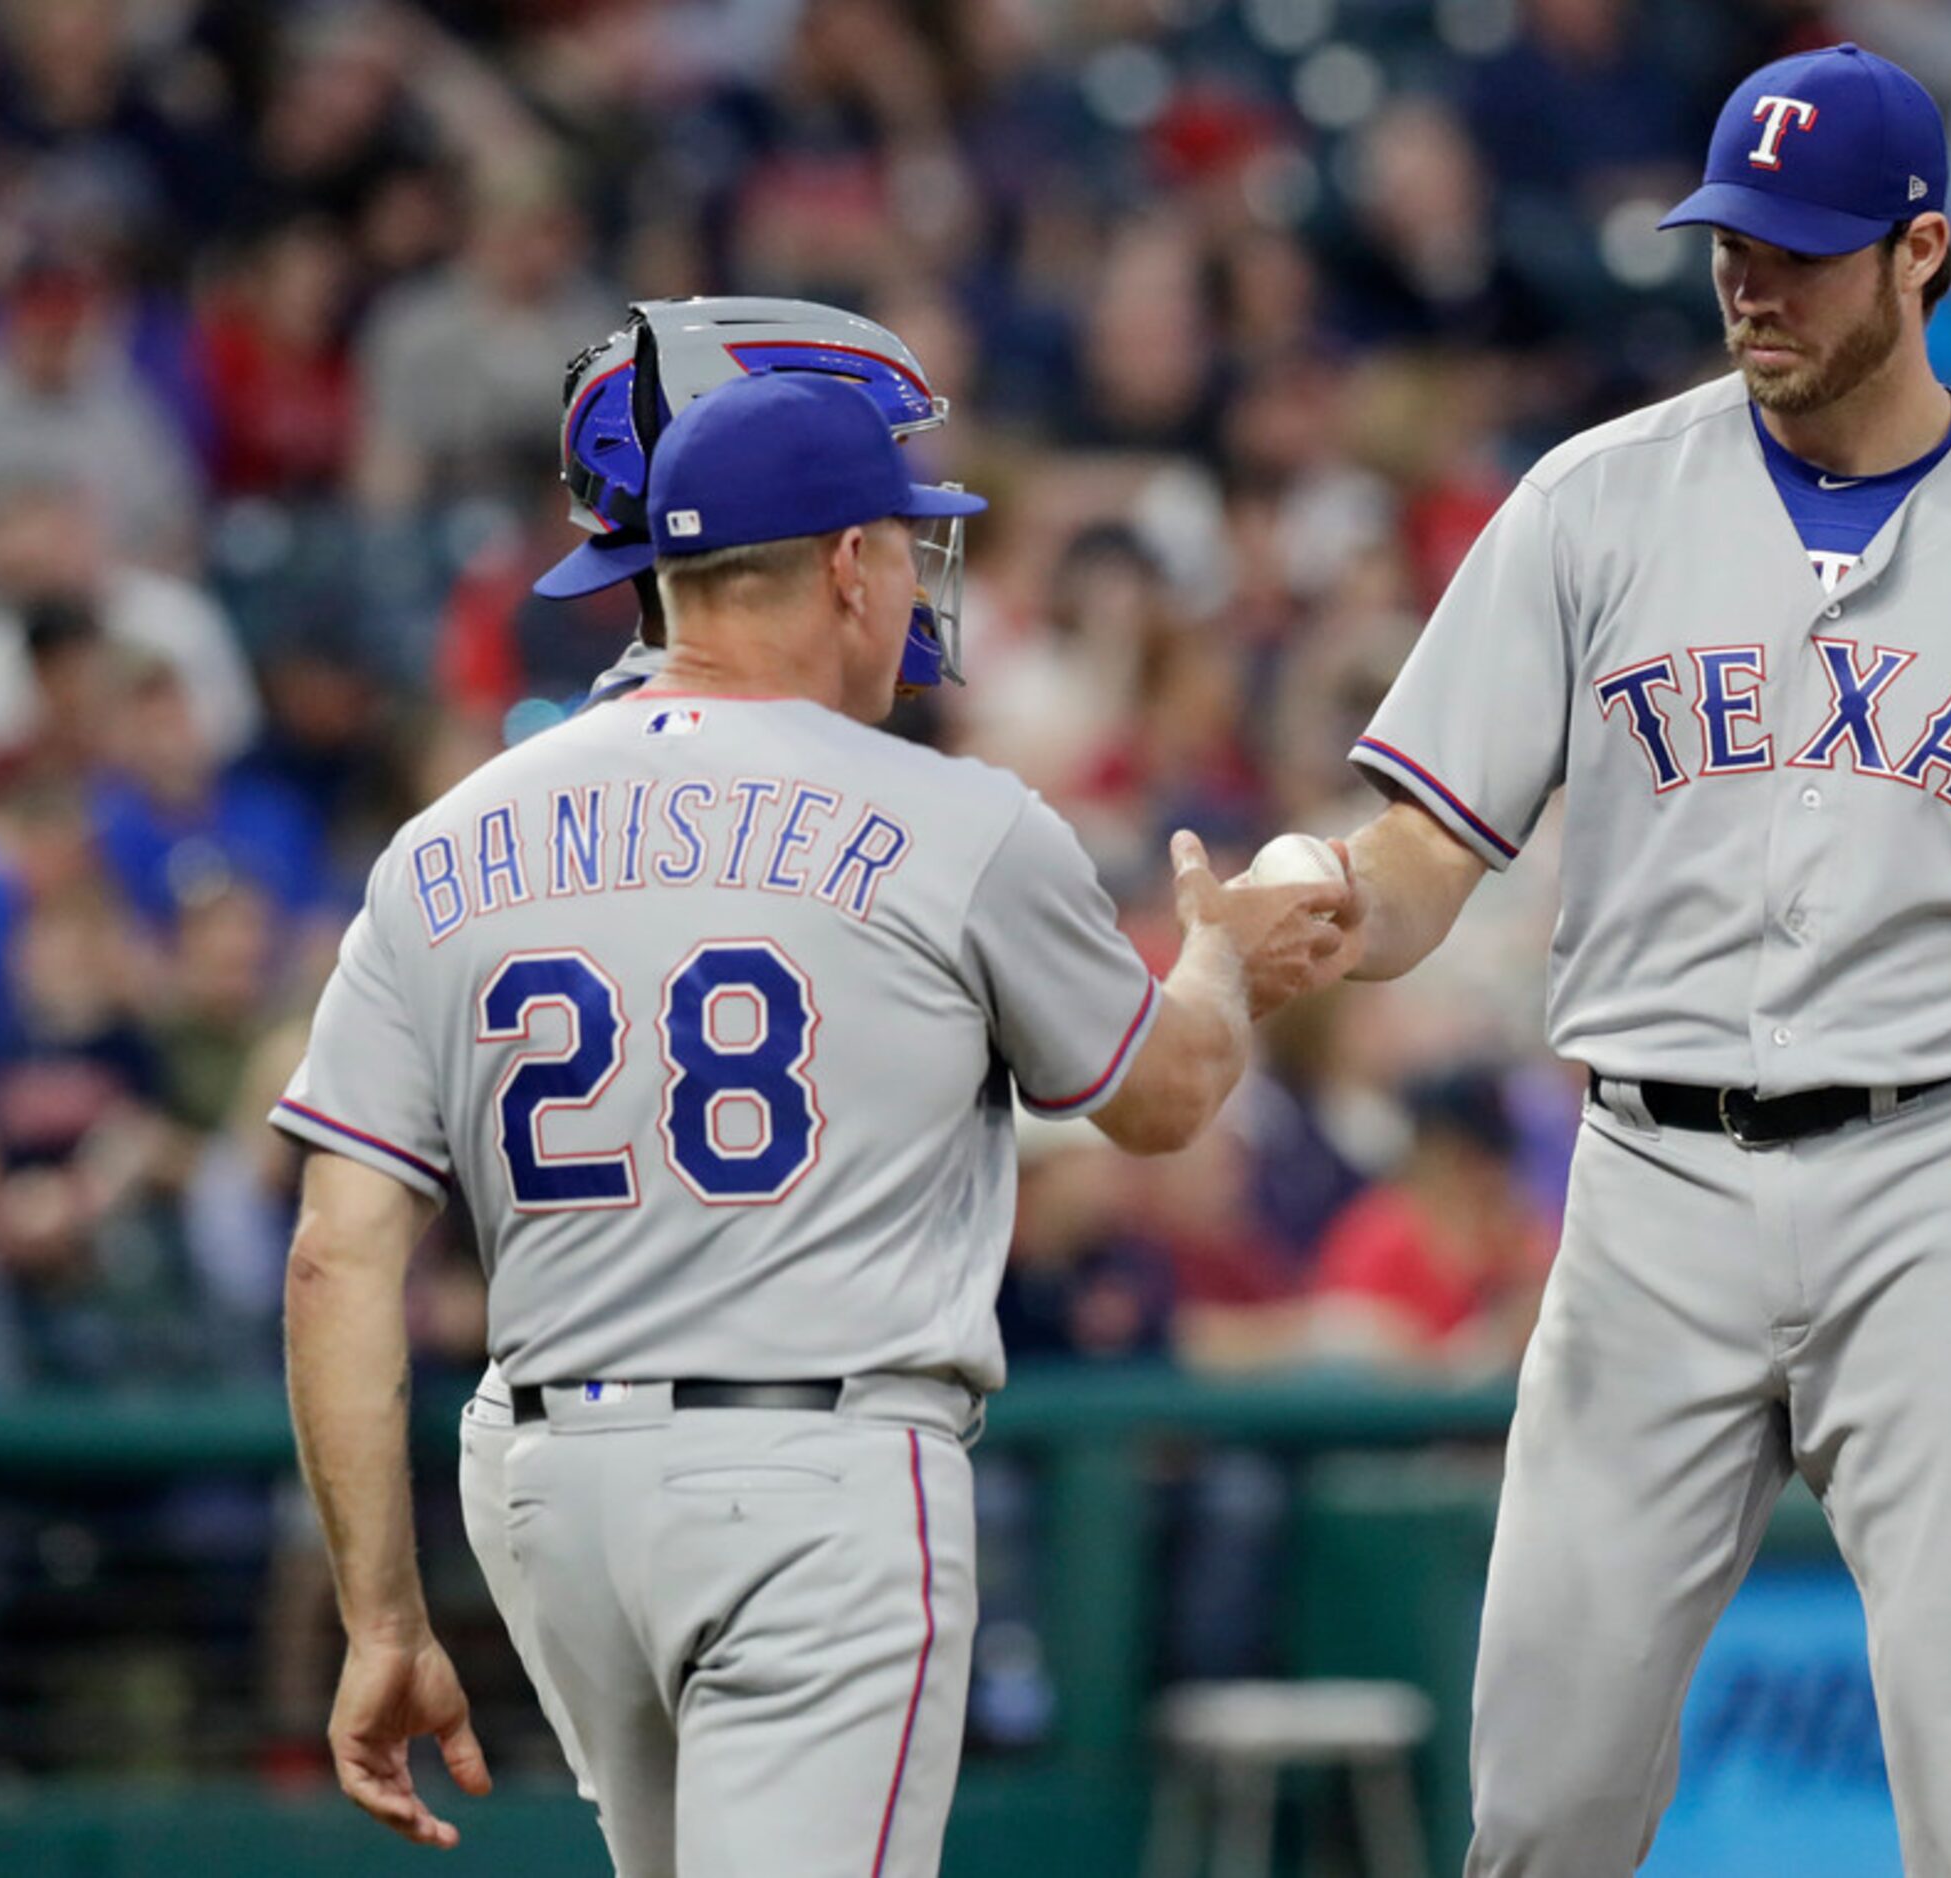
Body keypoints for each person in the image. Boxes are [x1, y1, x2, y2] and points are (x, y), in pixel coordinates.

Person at [1271, 46, 1951, 1876]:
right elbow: (1421, 853)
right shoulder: (1589, 502)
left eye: (1796, 247)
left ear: (1919, 252)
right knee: (1544, 1797)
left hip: (1939, 1172)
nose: (1747, 281)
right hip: (1650, 1178)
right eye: (1728, 242)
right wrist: (1317, 893)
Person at [275, 372, 1349, 1871]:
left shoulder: (443, 839)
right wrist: (1227, 961)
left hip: (548, 1489)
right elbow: (1164, 1099)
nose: (918, 576)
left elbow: (335, 1254)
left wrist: (380, 1613)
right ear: (849, 564)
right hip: (816, 1472)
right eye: (907, 543)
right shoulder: (952, 820)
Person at [449, 294, 964, 1822]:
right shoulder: (863, 803)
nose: (889, 519)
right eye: (859, 481)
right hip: (786, 1435)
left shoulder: (516, 791)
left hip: (554, 1433)